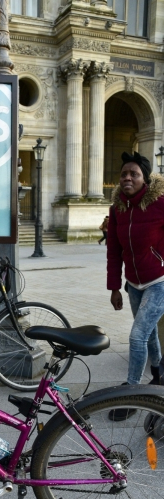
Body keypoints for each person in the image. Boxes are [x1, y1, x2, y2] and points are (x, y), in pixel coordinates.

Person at [107, 150, 164, 420]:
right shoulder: (117, 208)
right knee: (149, 334)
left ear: (145, 179)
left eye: (134, 174)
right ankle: (159, 374)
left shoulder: (160, 203)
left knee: (137, 336)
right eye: (124, 174)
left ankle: (132, 391)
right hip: (133, 284)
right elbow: (114, 250)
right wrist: (114, 287)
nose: (127, 177)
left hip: (159, 281)